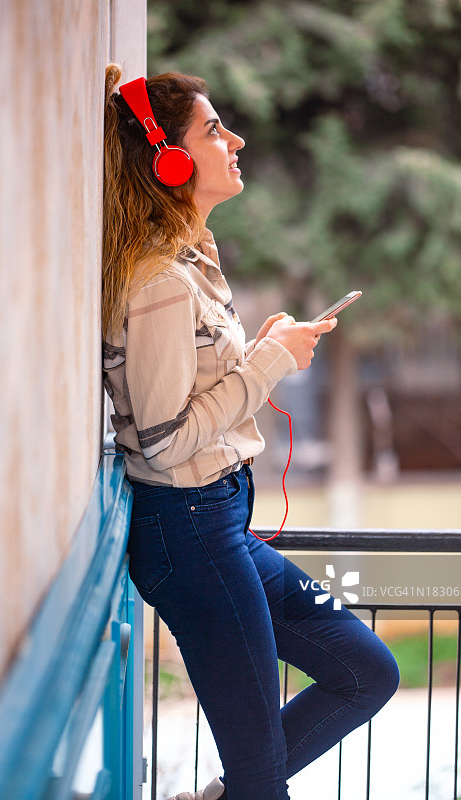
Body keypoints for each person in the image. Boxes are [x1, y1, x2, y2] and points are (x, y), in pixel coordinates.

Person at [102, 64, 399, 800]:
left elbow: (193, 384)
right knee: (262, 778)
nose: (233, 140)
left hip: (221, 524)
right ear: (168, 159)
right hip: (189, 531)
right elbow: (164, 440)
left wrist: (256, 348)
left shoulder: (194, 262)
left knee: (367, 671)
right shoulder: (161, 283)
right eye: (212, 130)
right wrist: (267, 363)